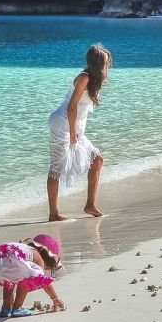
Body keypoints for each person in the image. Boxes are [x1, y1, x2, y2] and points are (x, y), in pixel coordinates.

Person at [47, 44, 112, 221]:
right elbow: (71, 107)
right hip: (62, 123)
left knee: (97, 159)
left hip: (73, 125)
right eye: (106, 62)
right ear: (97, 63)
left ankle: (90, 205)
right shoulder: (84, 77)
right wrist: (73, 132)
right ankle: (53, 214)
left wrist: (76, 131)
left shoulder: (94, 80)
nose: (108, 65)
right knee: (56, 169)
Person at [0, 234, 67, 317]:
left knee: (9, 279)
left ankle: (6, 308)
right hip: (6, 260)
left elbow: (7, 266)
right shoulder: (37, 256)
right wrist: (55, 299)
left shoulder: (23, 249)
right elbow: (43, 281)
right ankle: (17, 307)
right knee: (30, 276)